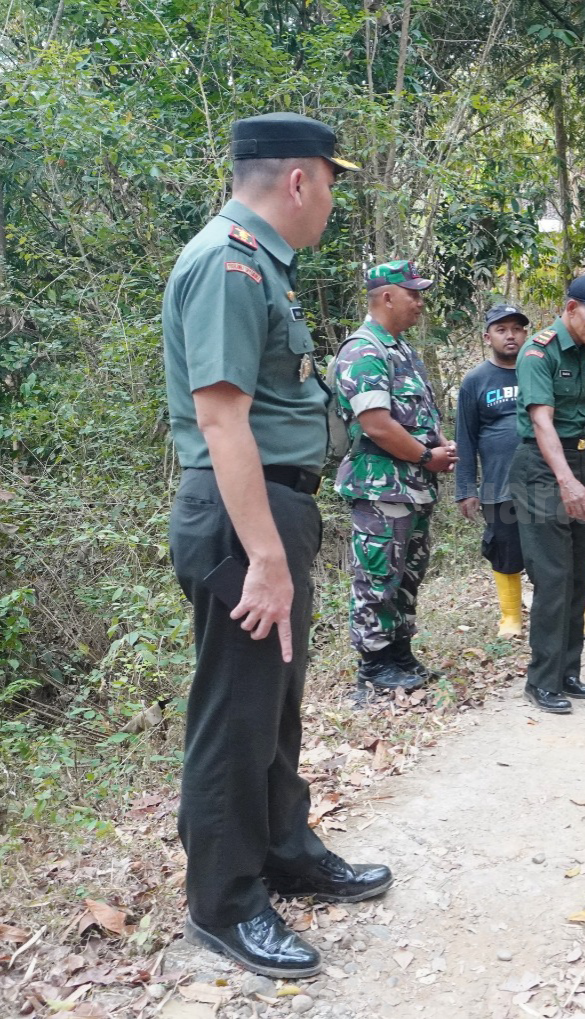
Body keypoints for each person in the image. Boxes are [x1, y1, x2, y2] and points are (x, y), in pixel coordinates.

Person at [163, 113, 390, 980]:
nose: (331, 200)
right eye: (331, 182)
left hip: (269, 510)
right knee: (236, 705)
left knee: (275, 694)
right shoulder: (226, 264)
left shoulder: (257, 264)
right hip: (238, 518)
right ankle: (222, 902)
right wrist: (261, 555)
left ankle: (284, 847)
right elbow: (221, 417)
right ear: (299, 180)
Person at [330, 260, 454, 693]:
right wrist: (426, 456)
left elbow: (419, 414)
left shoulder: (402, 351)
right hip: (381, 486)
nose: (420, 303)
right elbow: (376, 424)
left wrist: (441, 444)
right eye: (413, 294)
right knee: (378, 575)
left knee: (408, 574)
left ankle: (400, 653)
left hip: (414, 487)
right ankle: (374, 666)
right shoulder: (363, 351)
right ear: (387, 297)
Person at [510, 275, 585, 714]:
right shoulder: (538, 352)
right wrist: (566, 480)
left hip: (575, 462)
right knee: (553, 576)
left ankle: (567, 672)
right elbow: (542, 421)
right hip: (542, 470)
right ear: (572, 307)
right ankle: (542, 680)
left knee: (578, 571)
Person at [455, 304, 529, 639]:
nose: (510, 335)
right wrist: (466, 488)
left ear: (525, 333)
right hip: (499, 485)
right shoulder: (475, 380)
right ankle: (511, 616)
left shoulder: (537, 369)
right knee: (505, 548)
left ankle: (575, 612)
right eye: (502, 329)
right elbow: (465, 437)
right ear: (488, 337)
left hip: (542, 480)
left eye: (516, 328)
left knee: (554, 550)